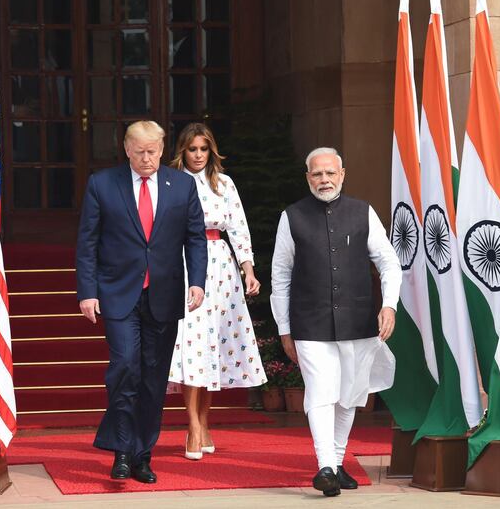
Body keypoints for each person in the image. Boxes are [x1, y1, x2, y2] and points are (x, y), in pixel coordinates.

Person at [76, 120, 208, 484]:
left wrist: (197, 282)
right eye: (140, 152)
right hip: (118, 294)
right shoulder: (103, 184)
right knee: (124, 368)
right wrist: (87, 291)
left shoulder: (182, 185)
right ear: (127, 149)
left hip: (164, 295)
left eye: (153, 151)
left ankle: (142, 455)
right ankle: (121, 451)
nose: (147, 158)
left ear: (163, 149)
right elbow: (88, 241)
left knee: (153, 379)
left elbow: (195, 238)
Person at [270, 147, 401, 497]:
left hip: (358, 319)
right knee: (321, 393)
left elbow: (388, 262)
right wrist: (284, 328)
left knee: (349, 396)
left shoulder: (363, 212)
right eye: (317, 174)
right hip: (309, 322)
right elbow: (280, 275)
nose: (324, 179)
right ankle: (325, 466)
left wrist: (389, 306)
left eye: (330, 173)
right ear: (307, 177)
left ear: (342, 174)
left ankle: (338, 462)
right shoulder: (292, 216)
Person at [167, 123, 267, 460]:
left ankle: (205, 422)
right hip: (184, 265)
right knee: (192, 346)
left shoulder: (224, 183)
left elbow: (239, 226)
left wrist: (248, 270)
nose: (198, 156)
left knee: (214, 348)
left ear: (212, 151)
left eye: (203, 149)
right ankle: (193, 426)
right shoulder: (170, 183)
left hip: (222, 267)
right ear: (182, 150)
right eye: (192, 149)